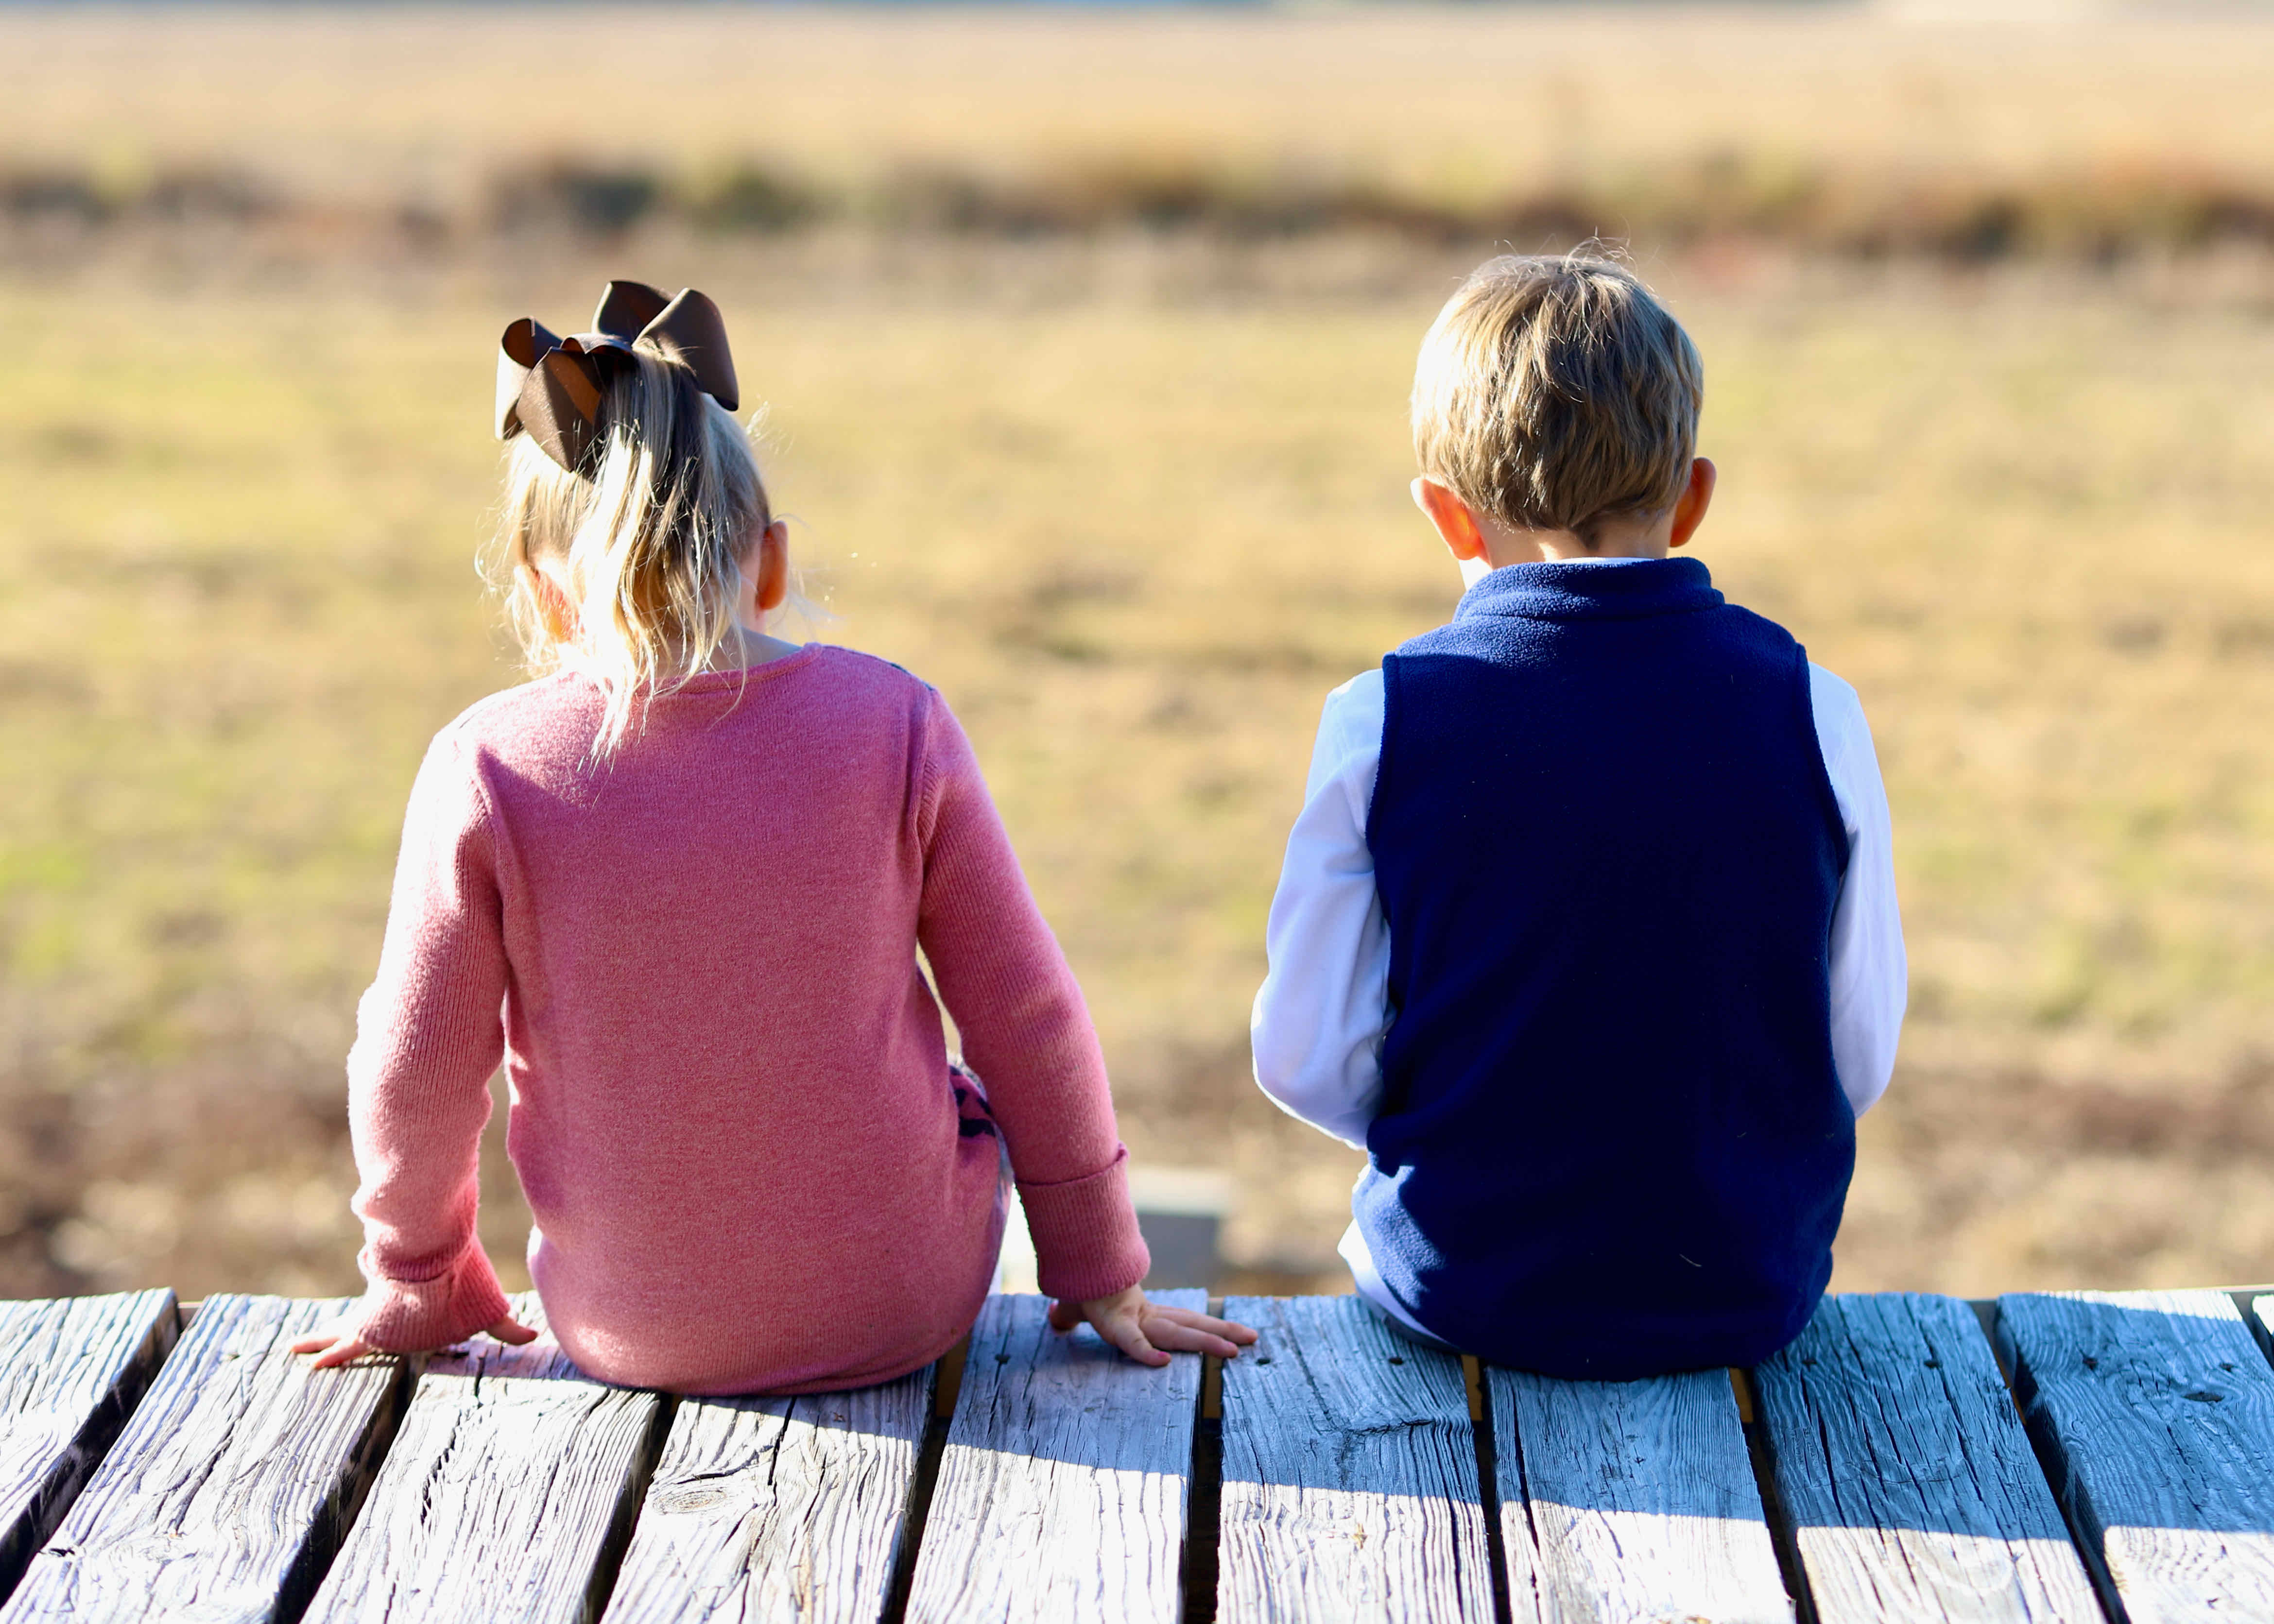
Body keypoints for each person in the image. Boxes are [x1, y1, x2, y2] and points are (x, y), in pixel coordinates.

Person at [295, 281, 1253, 1392]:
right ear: (774, 562)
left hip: (626, 1329)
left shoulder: (488, 766)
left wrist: (419, 1282)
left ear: (544, 598)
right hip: (909, 1303)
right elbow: (1026, 1011)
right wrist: (1097, 1261)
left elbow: (413, 1064)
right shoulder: (896, 724)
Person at [1251, 254, 1905, 1380]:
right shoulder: (1814, 705)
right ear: (1692, 500)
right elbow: (1858, 1050)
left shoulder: (1381, 718)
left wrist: (1487, 1118)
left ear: (1446, 515)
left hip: (1461, 1291)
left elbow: (1304, 1058)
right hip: (1748, 1293)